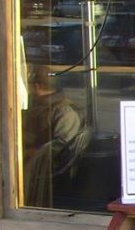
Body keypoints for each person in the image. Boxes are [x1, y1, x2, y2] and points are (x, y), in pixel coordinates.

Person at [23, 65, 90, 207]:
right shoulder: (37, 105)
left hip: (40, 165)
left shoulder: (64, 111)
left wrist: (28, 153)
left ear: (36, 87)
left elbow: (60, 148)